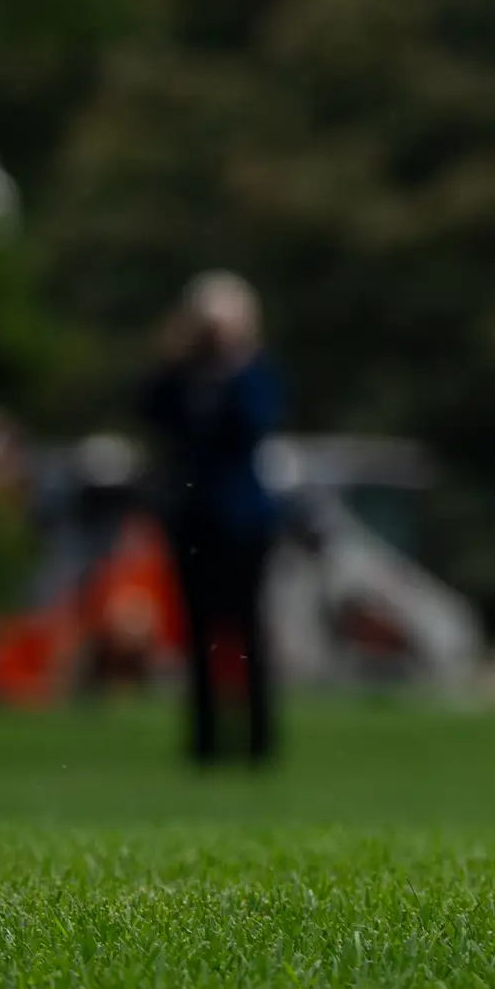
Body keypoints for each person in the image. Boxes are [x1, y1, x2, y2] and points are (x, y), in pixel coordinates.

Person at [139, 271, 285, 767]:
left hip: (243, 521)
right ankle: (203, 743)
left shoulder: (251, 373)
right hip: (192, 516)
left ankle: (259, 741)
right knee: (196, 631)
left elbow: (258, 420)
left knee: (248, 629)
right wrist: (173, 355)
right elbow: (151, 412)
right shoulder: (181, 377)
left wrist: (237, 358)